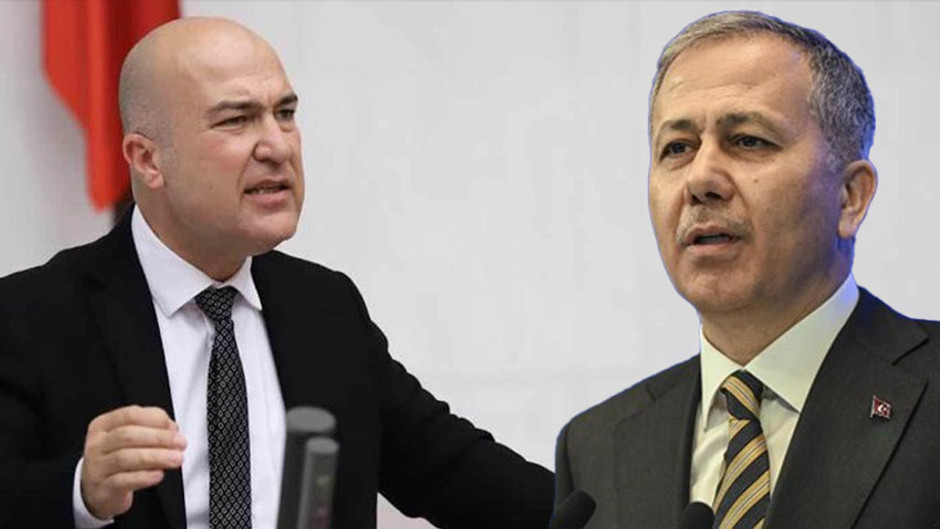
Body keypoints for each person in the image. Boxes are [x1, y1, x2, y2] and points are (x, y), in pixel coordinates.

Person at [0, 17, 553, 529]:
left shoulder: (324, 307)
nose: (277, 146)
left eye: (285, 114)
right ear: (148, 160)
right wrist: (81, 491)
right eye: (236, 120)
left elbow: (457, 472)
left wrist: (603, 495)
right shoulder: (33, 317)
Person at [554, 10, 940, 529]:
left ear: (850, 196)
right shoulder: (597, 446)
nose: (701, 179)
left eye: (748, 140)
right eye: (677, 148)